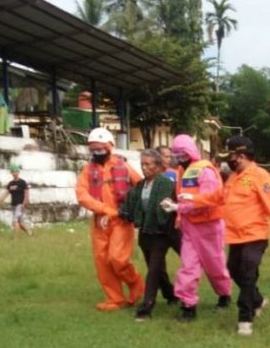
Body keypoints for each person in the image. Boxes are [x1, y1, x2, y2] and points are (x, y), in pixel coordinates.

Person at [181, 136, 270, 335]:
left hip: (255, 235)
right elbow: (217, 197)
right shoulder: (233, 177)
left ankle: (245, 317)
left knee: (248, 274)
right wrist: (194, 197)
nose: (228, 161)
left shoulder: (260, 176)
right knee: (234, 271)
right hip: (235, 237)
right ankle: (257, 300)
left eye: (230, 156)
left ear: (240, 156)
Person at [160, 134, 232, 321]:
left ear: (190, 151)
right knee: (188, 266)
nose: (178, 157)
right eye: (176, 154)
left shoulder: (205, 170)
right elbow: (182, 196)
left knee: (215, 265)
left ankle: (224, 294)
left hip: (209, 225)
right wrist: (177, 210)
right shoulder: (181, 172)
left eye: (181, 153)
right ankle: (188, 305)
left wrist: (182, 206)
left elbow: (212, 198)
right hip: (190, 226)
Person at [75, 128, 144, 311]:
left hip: (121, 220)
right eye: (93, 149)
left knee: (118, 259)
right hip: (100, 222)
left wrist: (129, 210)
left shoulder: (123, 165)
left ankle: (135, 283)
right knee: (103, 262)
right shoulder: (87, 170)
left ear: (109, 146)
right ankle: (115, 299)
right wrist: (104, 210)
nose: (97, 152)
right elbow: (82, 195)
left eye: (100, 148)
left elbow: (139, 186)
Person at [118, 149, 179, 321]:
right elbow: (129, 205)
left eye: (148, 164)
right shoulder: (140, 185)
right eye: (142, 164)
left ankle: (146, 308)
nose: (144, 168)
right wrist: (119, 213)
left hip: (163, 232)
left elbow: (163, 209)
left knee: (153, 270)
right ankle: (171, 295)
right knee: (157, 269)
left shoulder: (165, 183)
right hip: (146, 233)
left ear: (158, 166)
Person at [0, 164, 32, 236]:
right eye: (13, 172)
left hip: (20, 204)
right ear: (11, 173)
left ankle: (16, 238)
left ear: (18, 172)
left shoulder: (22, 182)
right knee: (20, 222)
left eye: (16, 171)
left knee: (15, 221)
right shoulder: (10, 184)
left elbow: (26, 192)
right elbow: (6, 193)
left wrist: (25, 202)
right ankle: (29, 233)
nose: (15, 173)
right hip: (14, 204)